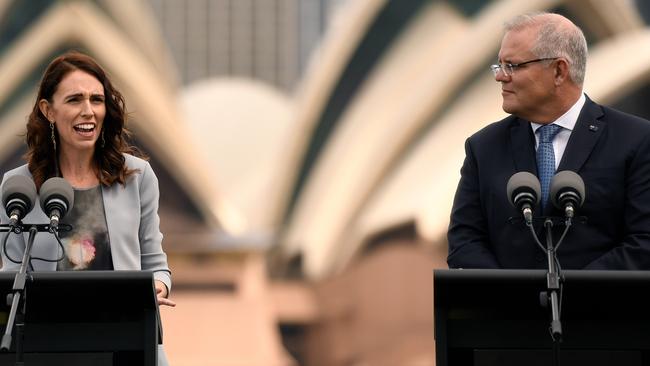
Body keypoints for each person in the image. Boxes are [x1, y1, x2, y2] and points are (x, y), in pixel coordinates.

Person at [0, 51, 176, 363]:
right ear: (48, 110)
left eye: (97, 99)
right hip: (46, 344)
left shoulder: (137, 177)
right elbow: (12, 271)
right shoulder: (19, 186)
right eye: (74, 100)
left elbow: (155, 262)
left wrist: (158, 287)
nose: (88, 111)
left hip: (127, 341)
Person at [447, 12, 650, 270]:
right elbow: (465, 241)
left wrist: (571, 295)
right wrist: (509, 297)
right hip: (509, 309)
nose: (500, 76)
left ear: (559, 71)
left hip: (599, 308)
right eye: (499, 65)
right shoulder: (483, 147)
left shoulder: (636, 140)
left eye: (513, 66)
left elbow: (644, 242)